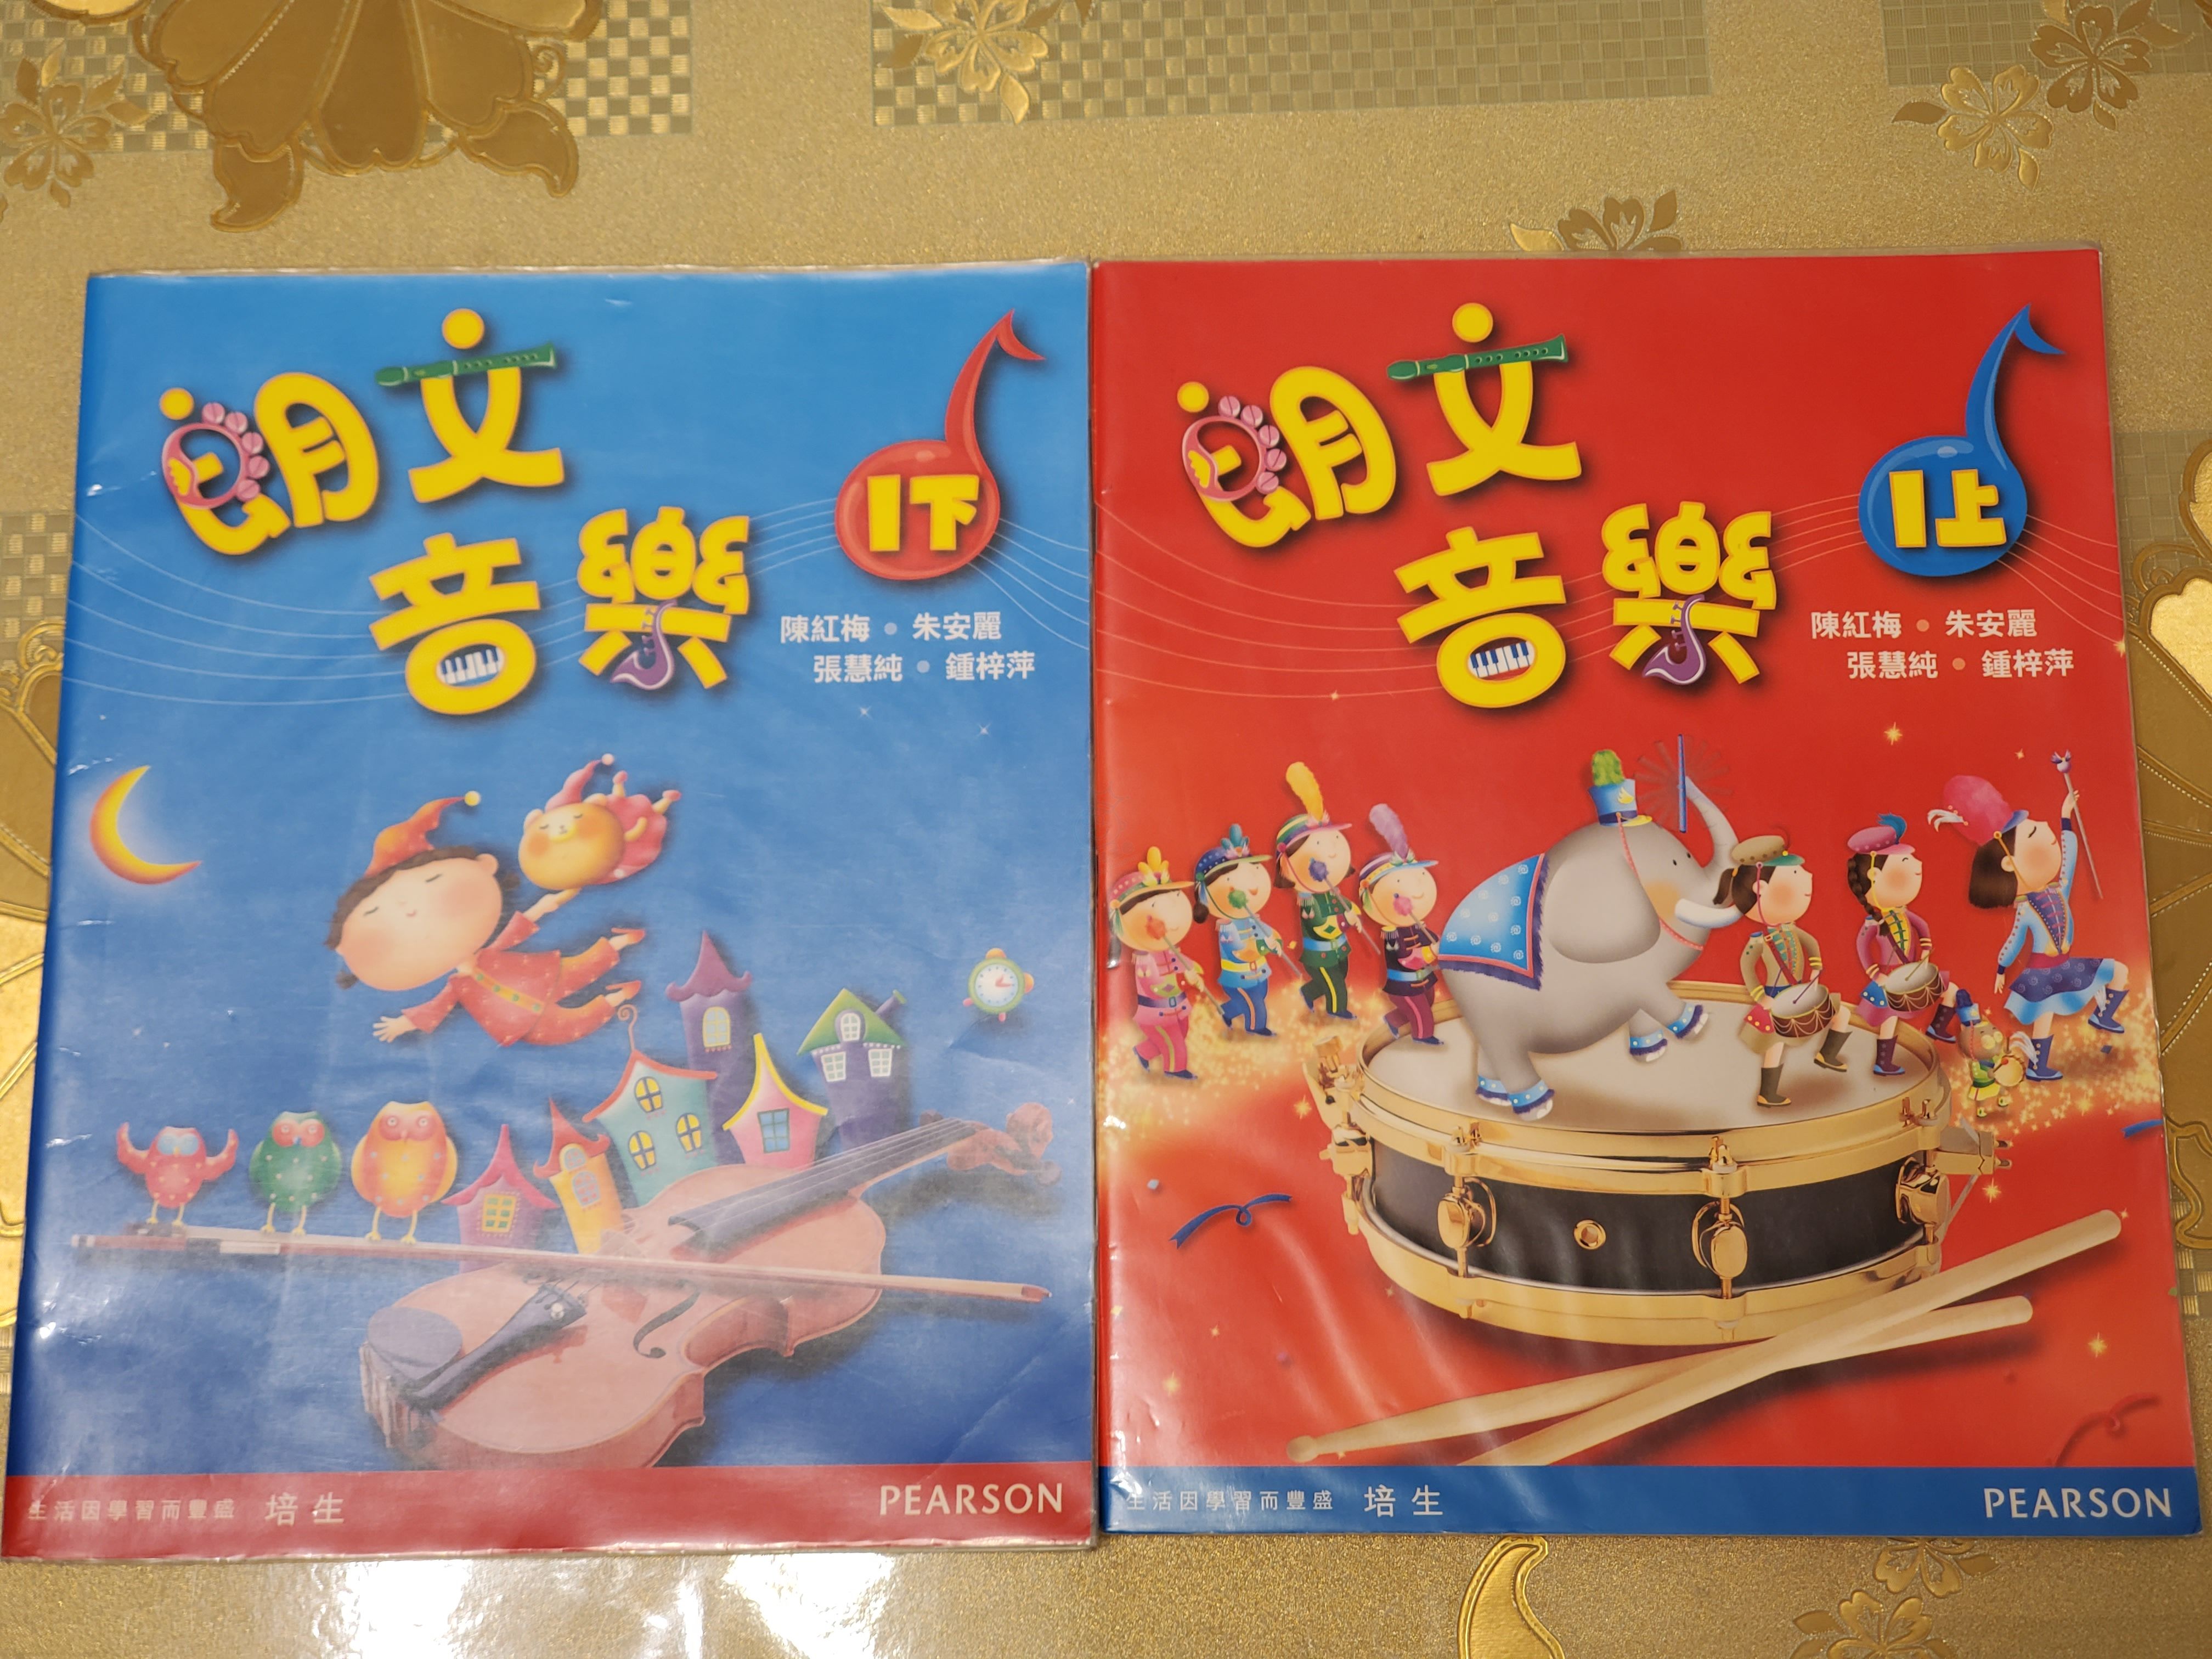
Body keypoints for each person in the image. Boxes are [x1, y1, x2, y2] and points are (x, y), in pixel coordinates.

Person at [329, 794, 642, 1048]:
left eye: (433, 882)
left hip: (533, 975)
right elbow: (438, 1006)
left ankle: (622, 942)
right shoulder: (457, 986)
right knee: (566, 1026)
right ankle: (617, 997)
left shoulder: (484, 959)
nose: (409, 911)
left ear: (485, 866)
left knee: (578, 969)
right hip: (511, 1019)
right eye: (375, 914)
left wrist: (544, 906)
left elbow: (517, 929)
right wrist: (405, 1023)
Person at [1931, 773, 2128, 1082]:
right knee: (2044, 1019)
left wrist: (2065, 819)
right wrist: (2001, 968)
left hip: (2066, 965)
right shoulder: (2025, 909)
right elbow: (2014, 941)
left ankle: (2103, 1016)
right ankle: (2039, 1067)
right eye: (2034, 830)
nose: (2044, 826)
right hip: (2042, 973)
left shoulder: (2059, 890)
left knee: (2119, 972)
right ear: (2010, 864)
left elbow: (2070, 860)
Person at [1722, 834, 1852, 1109]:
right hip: (1776, 997)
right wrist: (1761, 997)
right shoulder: (1759, 941)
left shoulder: (1793, 929)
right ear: (1760, 889)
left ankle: (1827, 1054)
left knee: (1842, 1013)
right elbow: (1747, 967)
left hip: (1801, 991)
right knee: (1775, 1046)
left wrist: (1816, 967)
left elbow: (1812, 943)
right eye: (1794, 874)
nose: (1806, 880)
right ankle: (1768, 1093)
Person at [1844, 812, 1974, 1078]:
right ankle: (1883, 1062)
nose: (1917, 866)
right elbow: (1862, 948)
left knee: (1951, 990)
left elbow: (1922, 927)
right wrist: (1875, 975)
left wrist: (1925, 948)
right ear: (1874, 875)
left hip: (1915, 972)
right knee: (1889, 1019)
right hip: (1889, 979)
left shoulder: (1905, 913)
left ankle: (1938, 1027)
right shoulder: (1872, 924)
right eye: (1905, 862)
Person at [1274, 761, 1370, 1020]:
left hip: (1338, 949)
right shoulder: (1308, 902)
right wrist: (1345, 920)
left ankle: (1308, 993)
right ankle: (1337, 1011)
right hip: (1320, 955)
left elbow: (1343, 906)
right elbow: (1322, 926)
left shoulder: (1329, 891)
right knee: (1336, 985)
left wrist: (1352, 911)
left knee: (1341, 974)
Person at [1108, 847, 1207, 1080]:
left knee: (1181, 1034)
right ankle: (1175, 1070)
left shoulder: (1167, 949)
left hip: (1177, 1007)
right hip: (1156, 1013)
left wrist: (1193, 971)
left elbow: (1180, 962)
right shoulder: (1145, 959)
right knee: (1174, 1043)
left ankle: (1143, 1051)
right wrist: (1184, 979)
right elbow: (1156, 985)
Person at [1358, 803, 1443, 1049]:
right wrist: (1432, 952)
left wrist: (1438, 943)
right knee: (1422, 1015)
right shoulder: (1392, 934)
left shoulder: (1415, 925)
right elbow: (1408, 959)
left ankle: (1393, 1020)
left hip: (1423, 980)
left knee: (1428, 1002)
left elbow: (1430, 940)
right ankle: (1423, 1038)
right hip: (1403, 986)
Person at [1196, 825, 1289, 1036]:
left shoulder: (1251, 918)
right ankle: (1256, 1028)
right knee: (1255, 1005)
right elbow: (1240, 952)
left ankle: (1227, 1011)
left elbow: (1269, 932)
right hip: (1238, 979)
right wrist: (1265, 946)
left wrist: (1276, 942)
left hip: (1260, 973)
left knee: (1256, 998)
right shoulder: (1227, 927)